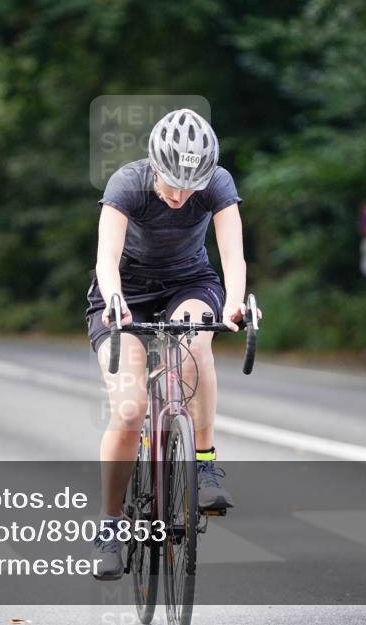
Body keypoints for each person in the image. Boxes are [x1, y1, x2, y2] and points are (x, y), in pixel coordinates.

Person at [86, 108, 259, 580]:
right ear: (153, 165)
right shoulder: (127, 184)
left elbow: (232, 256)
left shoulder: (218, 185)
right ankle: (110, 525)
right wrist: (115, 299)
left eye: (192, 184)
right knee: (128, 409)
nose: (182, 195)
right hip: (127, 293)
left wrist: (235, 305)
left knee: (196, 347)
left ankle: (203, 463)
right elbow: (107, 257)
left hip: (190, 284)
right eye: (172, 183)